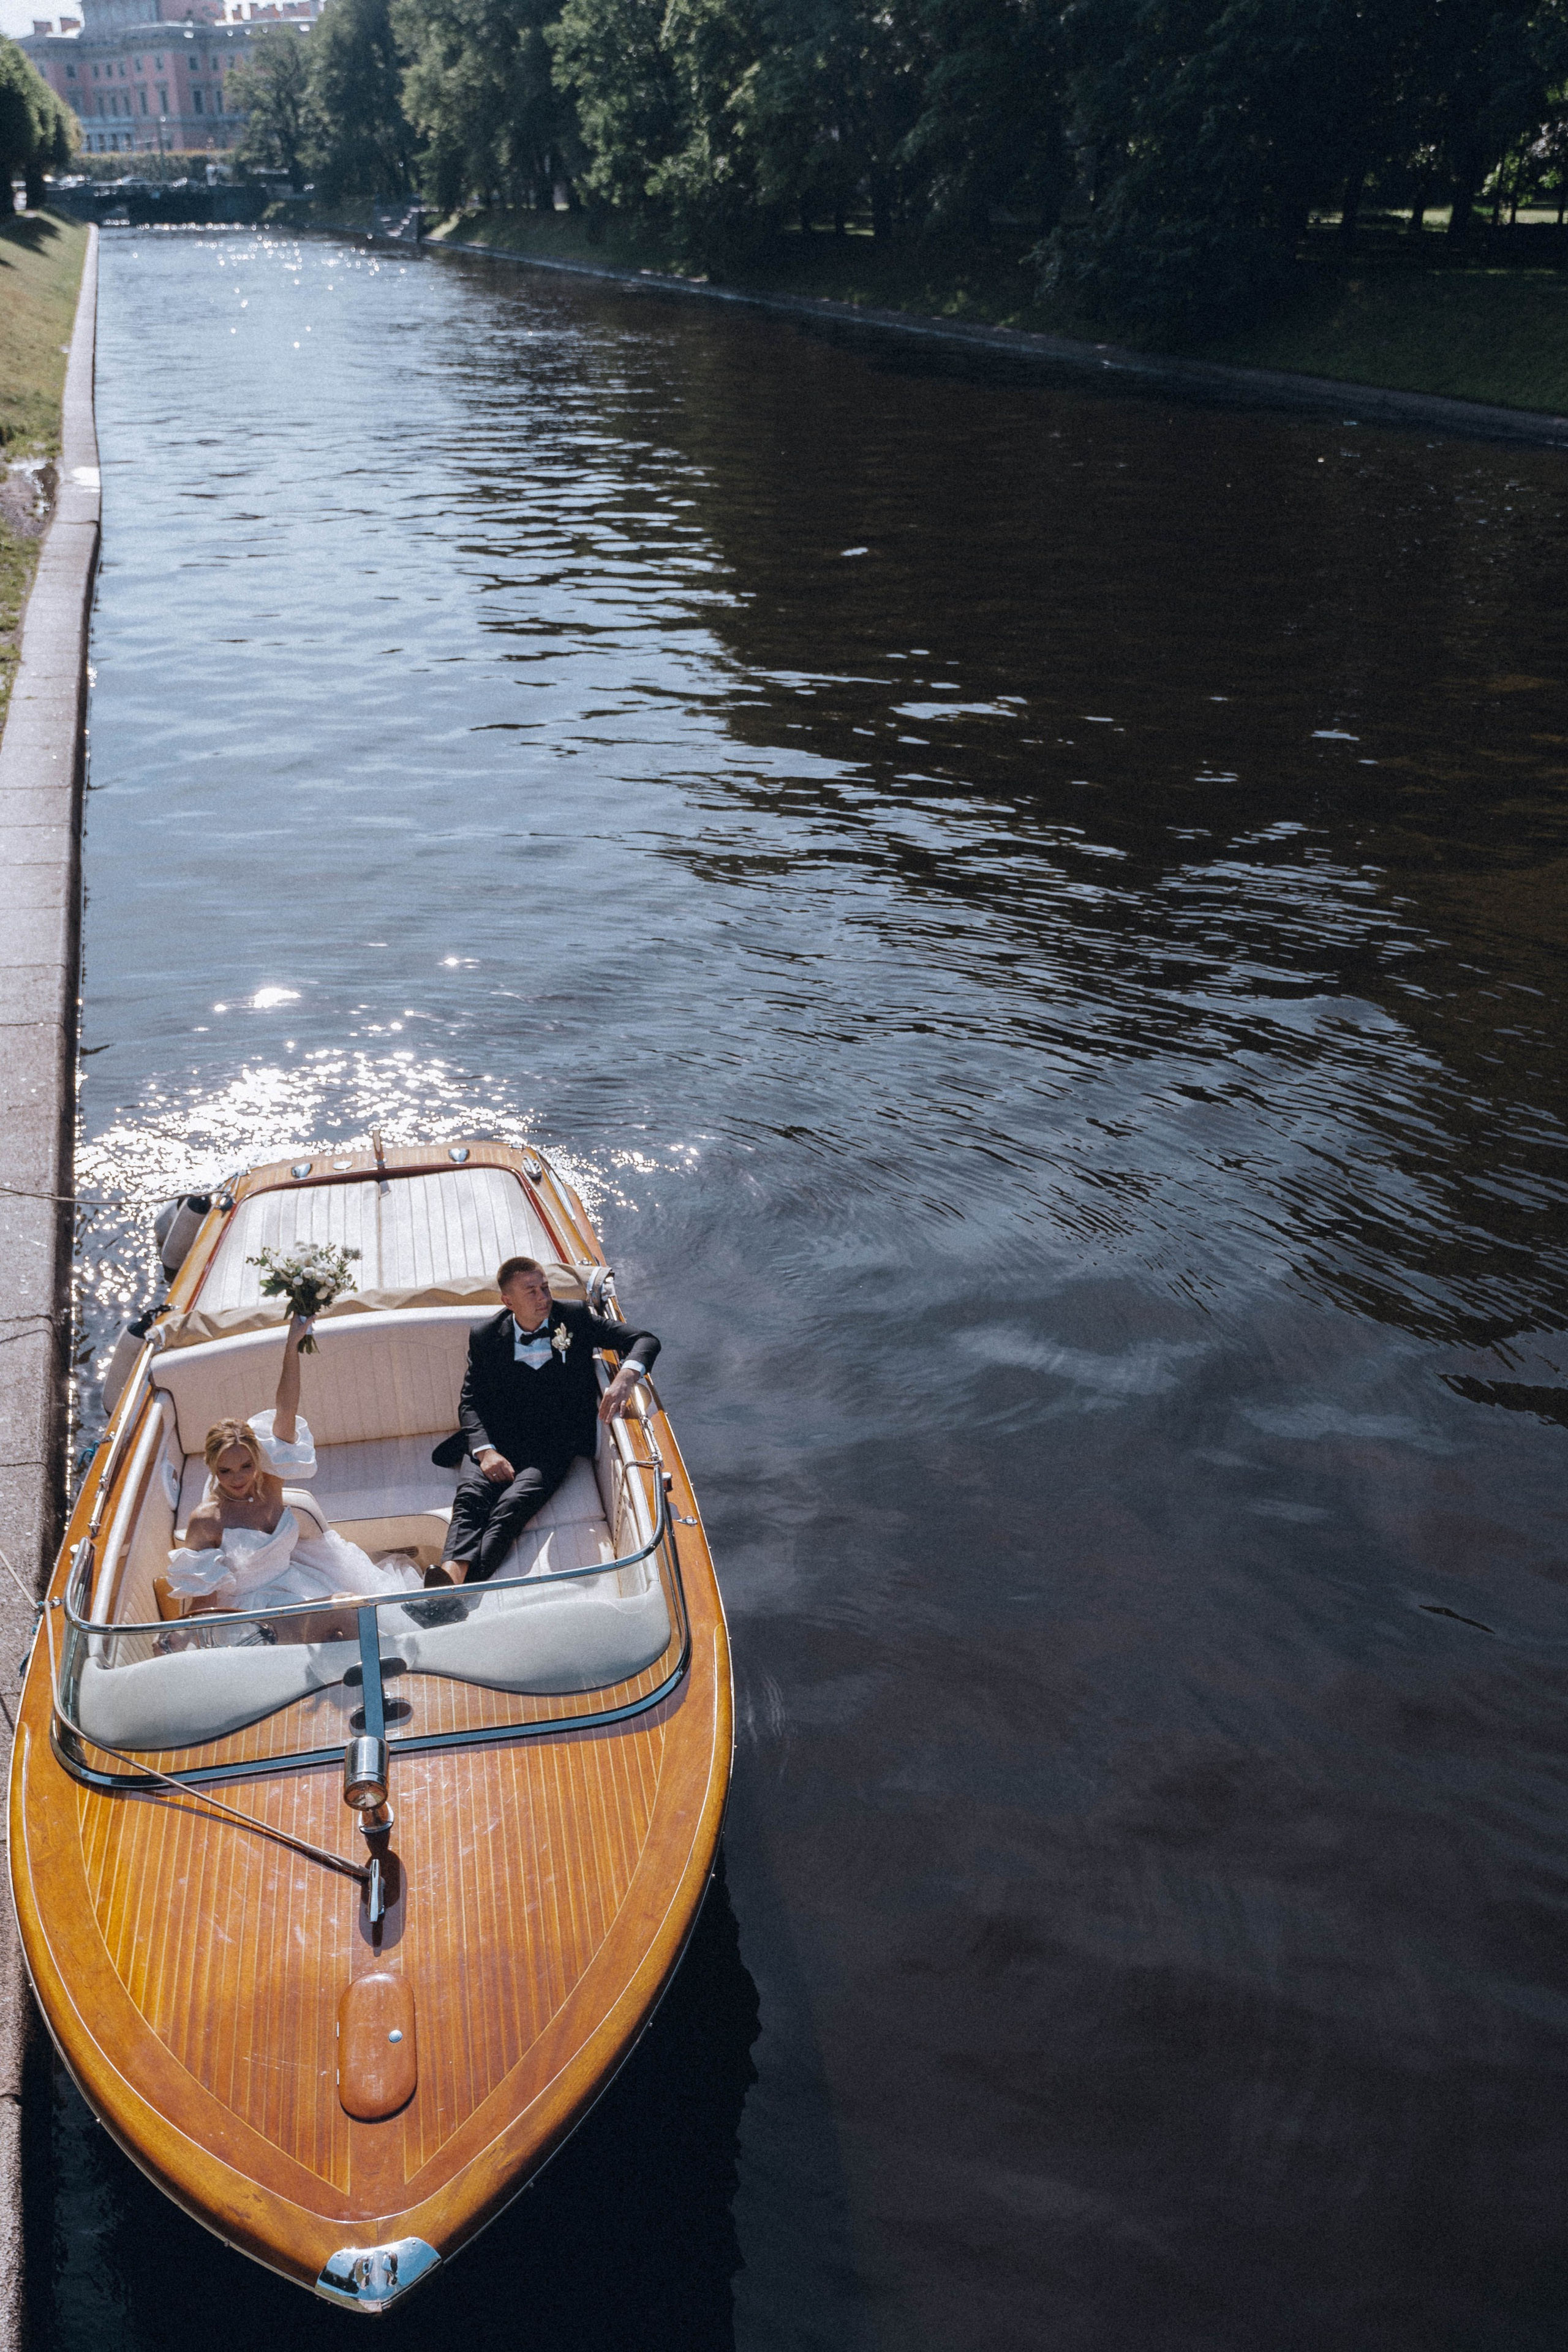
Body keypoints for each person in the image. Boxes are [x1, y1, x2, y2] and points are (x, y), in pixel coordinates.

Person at [162, 1315, 421, 1644]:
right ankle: (379, 1675)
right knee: (346, 1611)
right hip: (250, 1617)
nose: (237, 1478)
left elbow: (286, 1409)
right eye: (225, 1471)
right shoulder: (207, 1521)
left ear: (257, 1460)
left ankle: (380, 1679)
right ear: (213, 1469)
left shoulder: (271, 1485)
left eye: (245, 1466)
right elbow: (203, 1601)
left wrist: (292, 1345)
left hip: (297, 1588)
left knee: (358, 1614)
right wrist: (181, 1637)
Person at [429, 1256, 660, 1588]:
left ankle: (455, 1587)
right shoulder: (486, 1335)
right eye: (532, 1292)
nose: (543, 1298)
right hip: (497, 1438)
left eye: (545, 1288)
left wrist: (626, 1376)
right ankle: (450, 1576)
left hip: (553, 1444)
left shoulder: (575, 1318)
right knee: (470, 1499)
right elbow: (471, 1401)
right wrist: (485, 1452)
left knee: (512, 1507)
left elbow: (646, 1340)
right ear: (508, 1302)